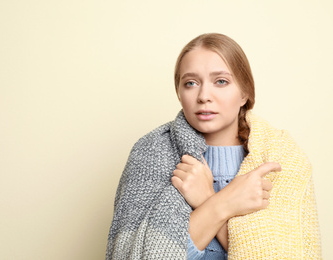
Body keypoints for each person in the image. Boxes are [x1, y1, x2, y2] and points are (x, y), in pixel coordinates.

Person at [106, 33, 321, 259]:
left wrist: (207, 198)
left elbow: (282, 254)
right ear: (179, 93)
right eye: (190, 83)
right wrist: (223, 206)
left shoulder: (281, 157)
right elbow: (136, 255)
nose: (204, 96)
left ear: (244, 93)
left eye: (221, 81)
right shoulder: (149, 154)